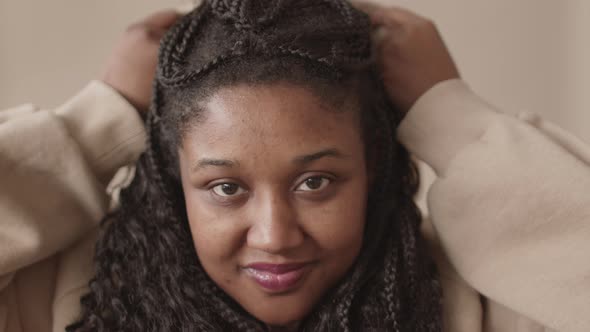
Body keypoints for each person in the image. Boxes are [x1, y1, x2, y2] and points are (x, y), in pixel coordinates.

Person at [0, 1, 588, 331]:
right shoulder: (60, 300)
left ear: (373, 165)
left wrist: (454, 119)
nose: (275, 236)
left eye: (315, 182)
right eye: (226, 187)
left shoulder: (476, 306)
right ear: (173, 177)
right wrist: (91, 127)